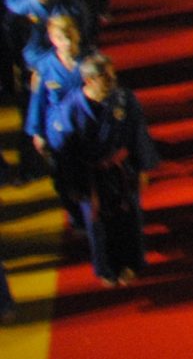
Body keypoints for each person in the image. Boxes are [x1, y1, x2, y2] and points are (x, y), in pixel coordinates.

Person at [55, 54, 157, 284]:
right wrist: (71, 184)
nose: (113, 80)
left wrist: (142, 168)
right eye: (106, 77)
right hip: (89, 175)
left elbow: (138, 133)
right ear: (89, 80)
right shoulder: (71, 108)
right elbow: (64, 151)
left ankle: (131, 263)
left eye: (113, 75)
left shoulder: (124, 100)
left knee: (129, 218)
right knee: (98, 225)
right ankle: (107, 269)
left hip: (122, 170)